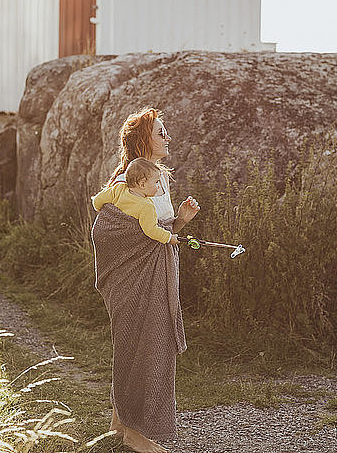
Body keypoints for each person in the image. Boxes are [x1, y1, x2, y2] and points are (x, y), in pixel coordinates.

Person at [91, 108, 200, 453]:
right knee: (142, 345)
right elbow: (105, 230)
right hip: (130, 277)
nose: (168, 137)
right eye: (161, 133)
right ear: (143, 141)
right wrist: (157, 238)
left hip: (157, 272)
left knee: (142, 344)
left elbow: (156, 231)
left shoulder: (158, 177)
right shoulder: (126, 180)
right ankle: (137, 434)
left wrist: (180, 221)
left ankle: (120, 422)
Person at [91, 157, 179, 245]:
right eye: (156, 182)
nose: (158, 186)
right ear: (142, 184)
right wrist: (169, 238)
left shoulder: (119, 189)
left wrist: (101, 210)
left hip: (115, 239)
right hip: (131, 243)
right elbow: (151, 230)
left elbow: (97, 200)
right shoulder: (146, 206)